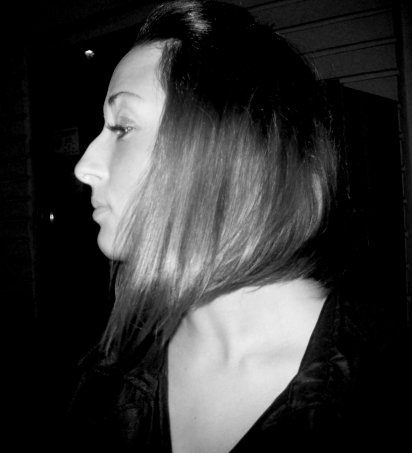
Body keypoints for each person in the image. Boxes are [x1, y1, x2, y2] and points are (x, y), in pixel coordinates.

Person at [69, 1, 407, 452]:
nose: (84, 167)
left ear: (231, 147)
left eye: (122, 127)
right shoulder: (114, 365)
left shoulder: (379, 393)